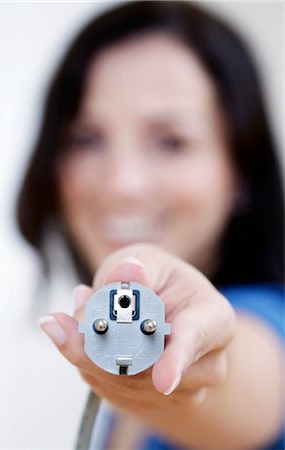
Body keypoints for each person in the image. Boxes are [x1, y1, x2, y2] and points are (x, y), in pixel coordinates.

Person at [17, 1, 284, 449]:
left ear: (240, 170)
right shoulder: (119, 372)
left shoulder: (268, 331)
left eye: (170, 141)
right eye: (86, 139)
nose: (123, 184)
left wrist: (188, 370)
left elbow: (243, 381)